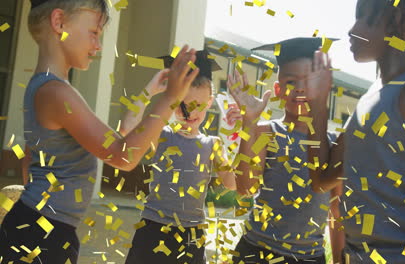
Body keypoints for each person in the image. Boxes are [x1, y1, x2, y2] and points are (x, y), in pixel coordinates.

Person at [0, 0, 198, 263]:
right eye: (94, 33)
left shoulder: (43, 87)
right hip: (43, 233)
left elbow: (29, 158)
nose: (98, 45)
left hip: (37, 225)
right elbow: (123, 155)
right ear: (59, 23)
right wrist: (168, 99)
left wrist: (150, 93)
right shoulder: (57, 93)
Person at [308, 0, 405, 263]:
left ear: (398, 19)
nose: (351, 30)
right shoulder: (366, 102)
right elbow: (321, 179)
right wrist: (318, 104)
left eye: (363, 18)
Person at [230, 37, 344, 264]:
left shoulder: (333, 145)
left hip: (308, 257)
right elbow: (245, 187)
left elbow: (337, 211)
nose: (300, 88)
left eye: (309, 80)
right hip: (257, 252)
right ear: (278, 89)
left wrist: (341, 259)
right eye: (291, 81)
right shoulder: (267, 133)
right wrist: (249, 121)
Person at [122, 50, 238, 264]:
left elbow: (231, 184)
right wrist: (149, 91)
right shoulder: (161, 133)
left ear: (210, 102)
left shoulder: (212, 144)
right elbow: (126, 129)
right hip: (154, 229)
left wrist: (238, 133)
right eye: (182, 105)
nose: (190, 114)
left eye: (198, 106)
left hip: (191, 236)